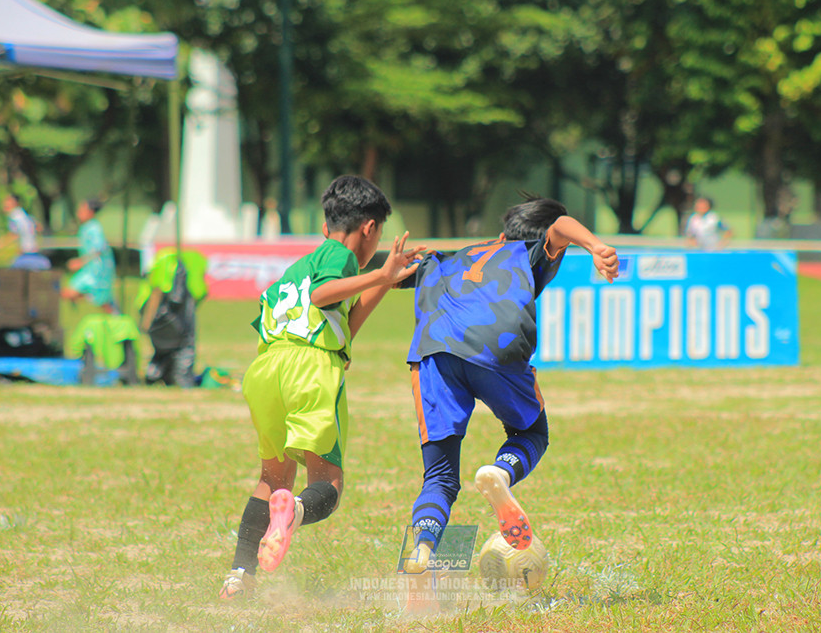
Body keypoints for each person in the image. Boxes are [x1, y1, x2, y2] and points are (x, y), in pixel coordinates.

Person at [219, 175, 424, 600]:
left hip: (265, 369)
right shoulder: (340, 256)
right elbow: (323, 296)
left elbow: (343, 323)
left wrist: (386, 279)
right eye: (378, 235)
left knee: (272, 477)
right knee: (328, 483)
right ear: (368, 228)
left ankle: (240, 577)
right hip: (308, 370)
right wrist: (377, 273)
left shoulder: (299, 266)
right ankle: (292, 512)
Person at [398, 197, 619, 575]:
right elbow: (562, 225)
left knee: (440, 476)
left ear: (500, 235)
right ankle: (502, 472)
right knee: (532, 431)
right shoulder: (530, 253)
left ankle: (422, 548)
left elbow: (388, 276)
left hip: (434, 352)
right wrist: (596, 246)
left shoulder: (452, 254)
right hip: (493, 346)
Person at [136, 247, 208, 387]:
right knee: (179, 345)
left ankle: (162, 375)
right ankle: (179, 377)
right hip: (171, 320)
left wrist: (146, 321)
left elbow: (157, 291)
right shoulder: (180, 263)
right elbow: (201, 292)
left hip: (164, 321)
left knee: (169, 346)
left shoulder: (167, 263)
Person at [61, 199, 117, 312]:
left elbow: (99, 249)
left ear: (91, 212)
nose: (78, 213)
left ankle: (118, 319)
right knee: (102, 301)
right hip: (90, 270)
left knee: (102, 302)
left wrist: (80, 262)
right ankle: (116, 317)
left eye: (82, 210)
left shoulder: (94, 228)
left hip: (97, 272)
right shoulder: (86, 227)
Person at [1, 193, 51, 270]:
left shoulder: (14, 216)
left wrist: (0, 245)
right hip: (34, 253)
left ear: (14, 203)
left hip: (25, 254)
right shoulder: (24, 215)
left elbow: (14, 235)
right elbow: (38, 227)